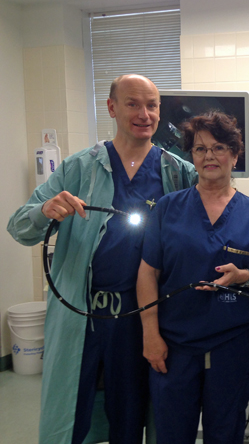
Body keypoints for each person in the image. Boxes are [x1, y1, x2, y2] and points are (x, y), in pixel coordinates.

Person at [7, 74, 198, 444]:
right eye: (132, 104)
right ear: (112, 107)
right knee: (73, 411)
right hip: (85, 315)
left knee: (131, 414)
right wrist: (46, 209)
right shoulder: (80, 169)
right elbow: (19, 227)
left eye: (152, 105)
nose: (144, 114)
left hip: (145, 317)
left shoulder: (177, 172)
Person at [137, 111, 249, 444]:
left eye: (219, 148)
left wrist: (243, 275)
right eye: (200, 149)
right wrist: (150, 335)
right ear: (191, 156)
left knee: (226, 434)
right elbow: (148, 272)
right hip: (174, 346)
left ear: (235, 154)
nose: (209, 156)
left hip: (231, 347)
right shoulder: (167, 208)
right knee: (172, 434)